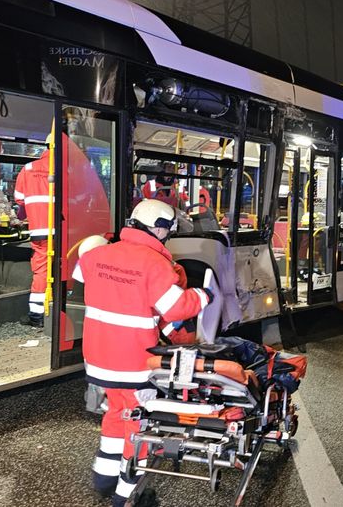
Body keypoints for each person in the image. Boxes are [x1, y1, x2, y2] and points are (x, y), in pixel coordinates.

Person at [74, 199, 213, 506]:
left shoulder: (99, 253)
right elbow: (176, 307)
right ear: (160, 230)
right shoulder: (155, 264)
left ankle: (103, 476)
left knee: (116, 413)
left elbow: (82, 276)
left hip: (97, 359)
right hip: (134, 364)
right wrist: (202, 295)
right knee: (140, 424)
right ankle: (127, 496)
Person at [13, 132, 55, 328]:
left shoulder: (28, 169)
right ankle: (57, 309)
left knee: (41, 272)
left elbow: (19, 198)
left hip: (40, 230)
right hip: (62, 231)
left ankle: (38, 316)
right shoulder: (66, 170)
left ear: (45, 147)